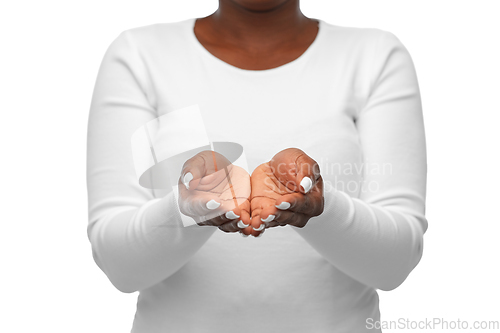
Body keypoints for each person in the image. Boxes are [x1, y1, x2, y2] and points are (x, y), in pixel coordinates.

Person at [86, 0, 428, 332]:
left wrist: (322, 209)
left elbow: (394, 266)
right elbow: (120, 267)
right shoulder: (140, 54)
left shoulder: (374, 56)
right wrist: (188, 211)